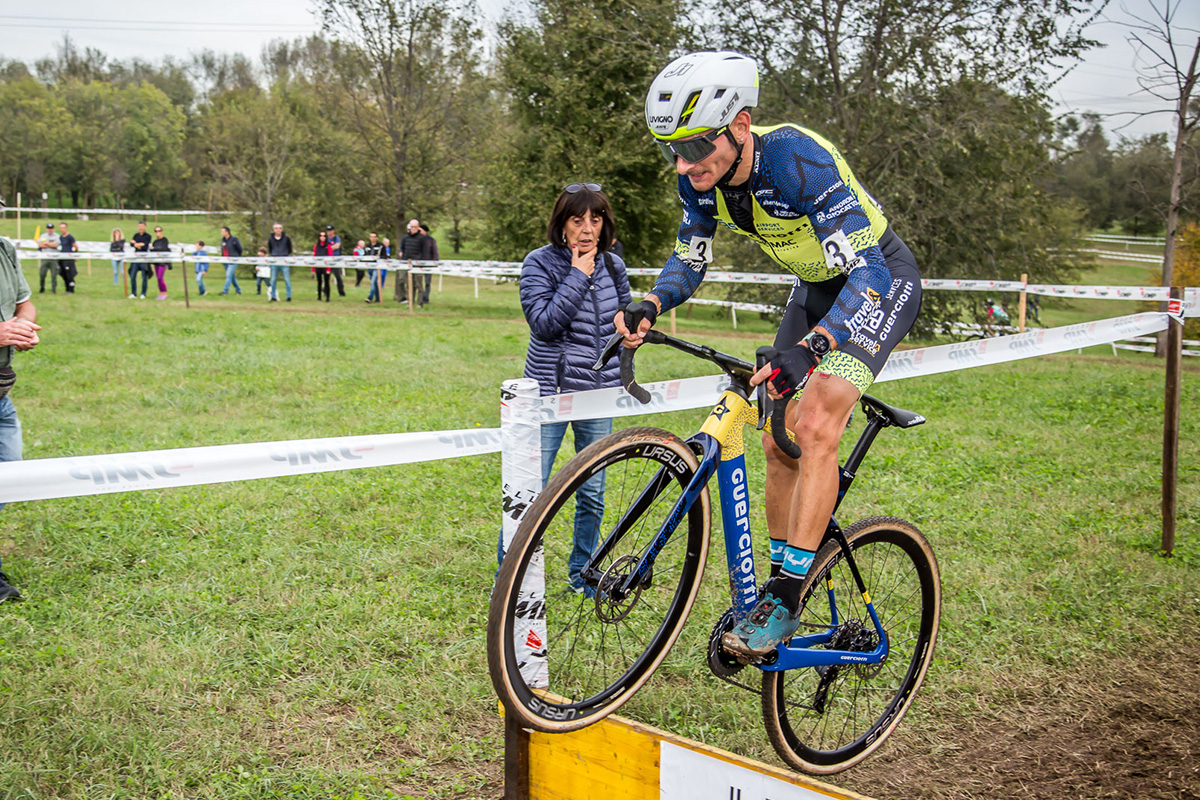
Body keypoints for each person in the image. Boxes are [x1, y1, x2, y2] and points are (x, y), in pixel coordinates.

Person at [620, 52, 923, 658]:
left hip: (877, 281)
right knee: (775, 440)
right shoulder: (697, 178)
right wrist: (652, 299)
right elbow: (691, 257)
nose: (682, 164)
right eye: (669, 151)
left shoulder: (796, 161)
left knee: (813, 425)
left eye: (694, 146)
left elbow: (866, 275)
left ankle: (785, 598)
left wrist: (813, 349)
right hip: (815, 288)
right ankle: (782, 584)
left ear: (739, 125)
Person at [499, 182, 631, 595]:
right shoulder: (539, 263)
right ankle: (513, 584)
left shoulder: (614, 266)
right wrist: (577, 275)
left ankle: (583, 576)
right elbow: (544, 323)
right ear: (563, 224)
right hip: (550, 395)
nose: (588, 227)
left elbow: (624, 317)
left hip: (598, 393)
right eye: (578, 219)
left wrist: (633, 333)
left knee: (593, 491)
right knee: (529, 494)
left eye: (596, 218)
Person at [0, 211, 43, 602]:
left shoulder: (6, 249)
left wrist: (23, 326)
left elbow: (24, 304)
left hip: (1, 393)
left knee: (8, 479)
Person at [394, 219, 427, 303]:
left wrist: (421, 262)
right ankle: (410, 301)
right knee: (409, 285)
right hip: (407, 263)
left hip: (418, 264)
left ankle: (420, 302)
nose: (413, 229)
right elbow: (403, 249)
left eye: (415, 227)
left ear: (418, 227)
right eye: (412, 227)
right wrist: (402, 254)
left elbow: (424, 252)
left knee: (418, 284)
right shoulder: (405, 238)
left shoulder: (422, 238)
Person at [266, 222, 293, 302]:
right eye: (276, 228)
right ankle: (273, 296)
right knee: (273, 279)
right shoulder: (270, 239)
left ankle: (288, 296)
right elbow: (270, 249)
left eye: (279, 228)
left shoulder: (286, 239)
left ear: (282, 229)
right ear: (274, 230)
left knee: (287, 279)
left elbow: (290, 249)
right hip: (274, 260)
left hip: (284, 260)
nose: (278, 230)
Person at [417, 223, 438, 307]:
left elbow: (435, 251)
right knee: (418, 282)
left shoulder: (431, 240)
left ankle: (426, 297)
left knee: (427, 282)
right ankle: (419, 297)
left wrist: (435, 261)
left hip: (428, 263)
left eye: (420, 230)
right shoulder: (417, 239)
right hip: (418, 263)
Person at [129, 221, 152, 299]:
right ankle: (133, 293)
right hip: (136, 258)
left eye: (142, 226)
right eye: (139, 226)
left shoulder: (148, 236)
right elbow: (131, 244)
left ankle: (143, 293)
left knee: (144, 277)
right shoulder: (136, 235)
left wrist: (136, 244)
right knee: (132, 276)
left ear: (145, 227)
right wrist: (138, 245)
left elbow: (145, 246)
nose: (140, 228)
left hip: (144, 259)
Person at [219, 226, 243, 296]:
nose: (221, 233)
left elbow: (240, 249)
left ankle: (225, 291)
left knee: (228, 275)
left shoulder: (234, 239)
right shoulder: (223, 240)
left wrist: (236, 257)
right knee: (231, 276)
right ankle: (238, 290)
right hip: (225, 260)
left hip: (233, 260)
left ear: (227, 232)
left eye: (223, 231)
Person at [364, 232, 386, 304]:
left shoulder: (381, 246)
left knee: (373, 282)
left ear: (376, 238)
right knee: (374, 283)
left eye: (374, 237)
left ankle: (370, 297)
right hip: (369, 266)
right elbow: (365, 256)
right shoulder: (367, 246)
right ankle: (378, 298)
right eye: (371, 237)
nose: (372, 238)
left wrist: (379, 257)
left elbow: (384, 256)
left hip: (377, 266)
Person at [150, 225, 171, 300]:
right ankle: (161, 293)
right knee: (158, 278)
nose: (157, 232)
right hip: (156, 261)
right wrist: (153, 249)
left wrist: (154, 249)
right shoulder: (155, 241)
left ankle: (165, 293)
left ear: (161, 231)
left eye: (159, 231)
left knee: (160, 277)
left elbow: (163, 249)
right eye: (156, 231)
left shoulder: (165, 240)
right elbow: (152, 250)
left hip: (163, 261)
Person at [36, 223, 58, 294]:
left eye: (51, 228)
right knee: (42, 274)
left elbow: (55, 245)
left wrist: (46, 243)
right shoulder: (43, 236)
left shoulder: (56, 236)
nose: (50, 230)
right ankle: (42, 288)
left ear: (53, 229)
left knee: (54, 275)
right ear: (46, 229)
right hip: (45, 257)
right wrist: (50, 244)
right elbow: (39, 245)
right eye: (48, 228)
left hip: (54, 258)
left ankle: (53, 289)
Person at [57, 222, 78, 294]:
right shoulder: (61, 237)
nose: (62, 229)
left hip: (69, 258)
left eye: (63, 228)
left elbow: (75, 246)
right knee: (63, 273)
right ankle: (66, 288)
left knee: (70, 274)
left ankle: (71, 289)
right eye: (61, 228)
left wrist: (75, 255)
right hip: (62, 258)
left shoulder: (70, 237)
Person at [313, 229, 334, 302]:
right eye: (321, 236)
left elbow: (330, 257)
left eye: (324, 236)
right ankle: (319, 297)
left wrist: (329, 268)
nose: (322, 237)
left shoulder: (328, 246)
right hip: (318, 266)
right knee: (319, 282)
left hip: (326, 266)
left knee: (326, 282)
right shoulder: (316, 246)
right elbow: (314, 256)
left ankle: (328, 297)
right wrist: (313, 268)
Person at [326, 225, 346, 297]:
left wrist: (328, 248)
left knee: (337, 276)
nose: (329, 232)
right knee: (326, 276)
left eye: (330, 230)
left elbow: (337, 246)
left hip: (335, 260)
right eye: (328, 230)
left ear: (333, 231)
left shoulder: (336, 238)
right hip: (327, 259)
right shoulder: (326, 239)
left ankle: (341, 292)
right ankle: (326, 291)